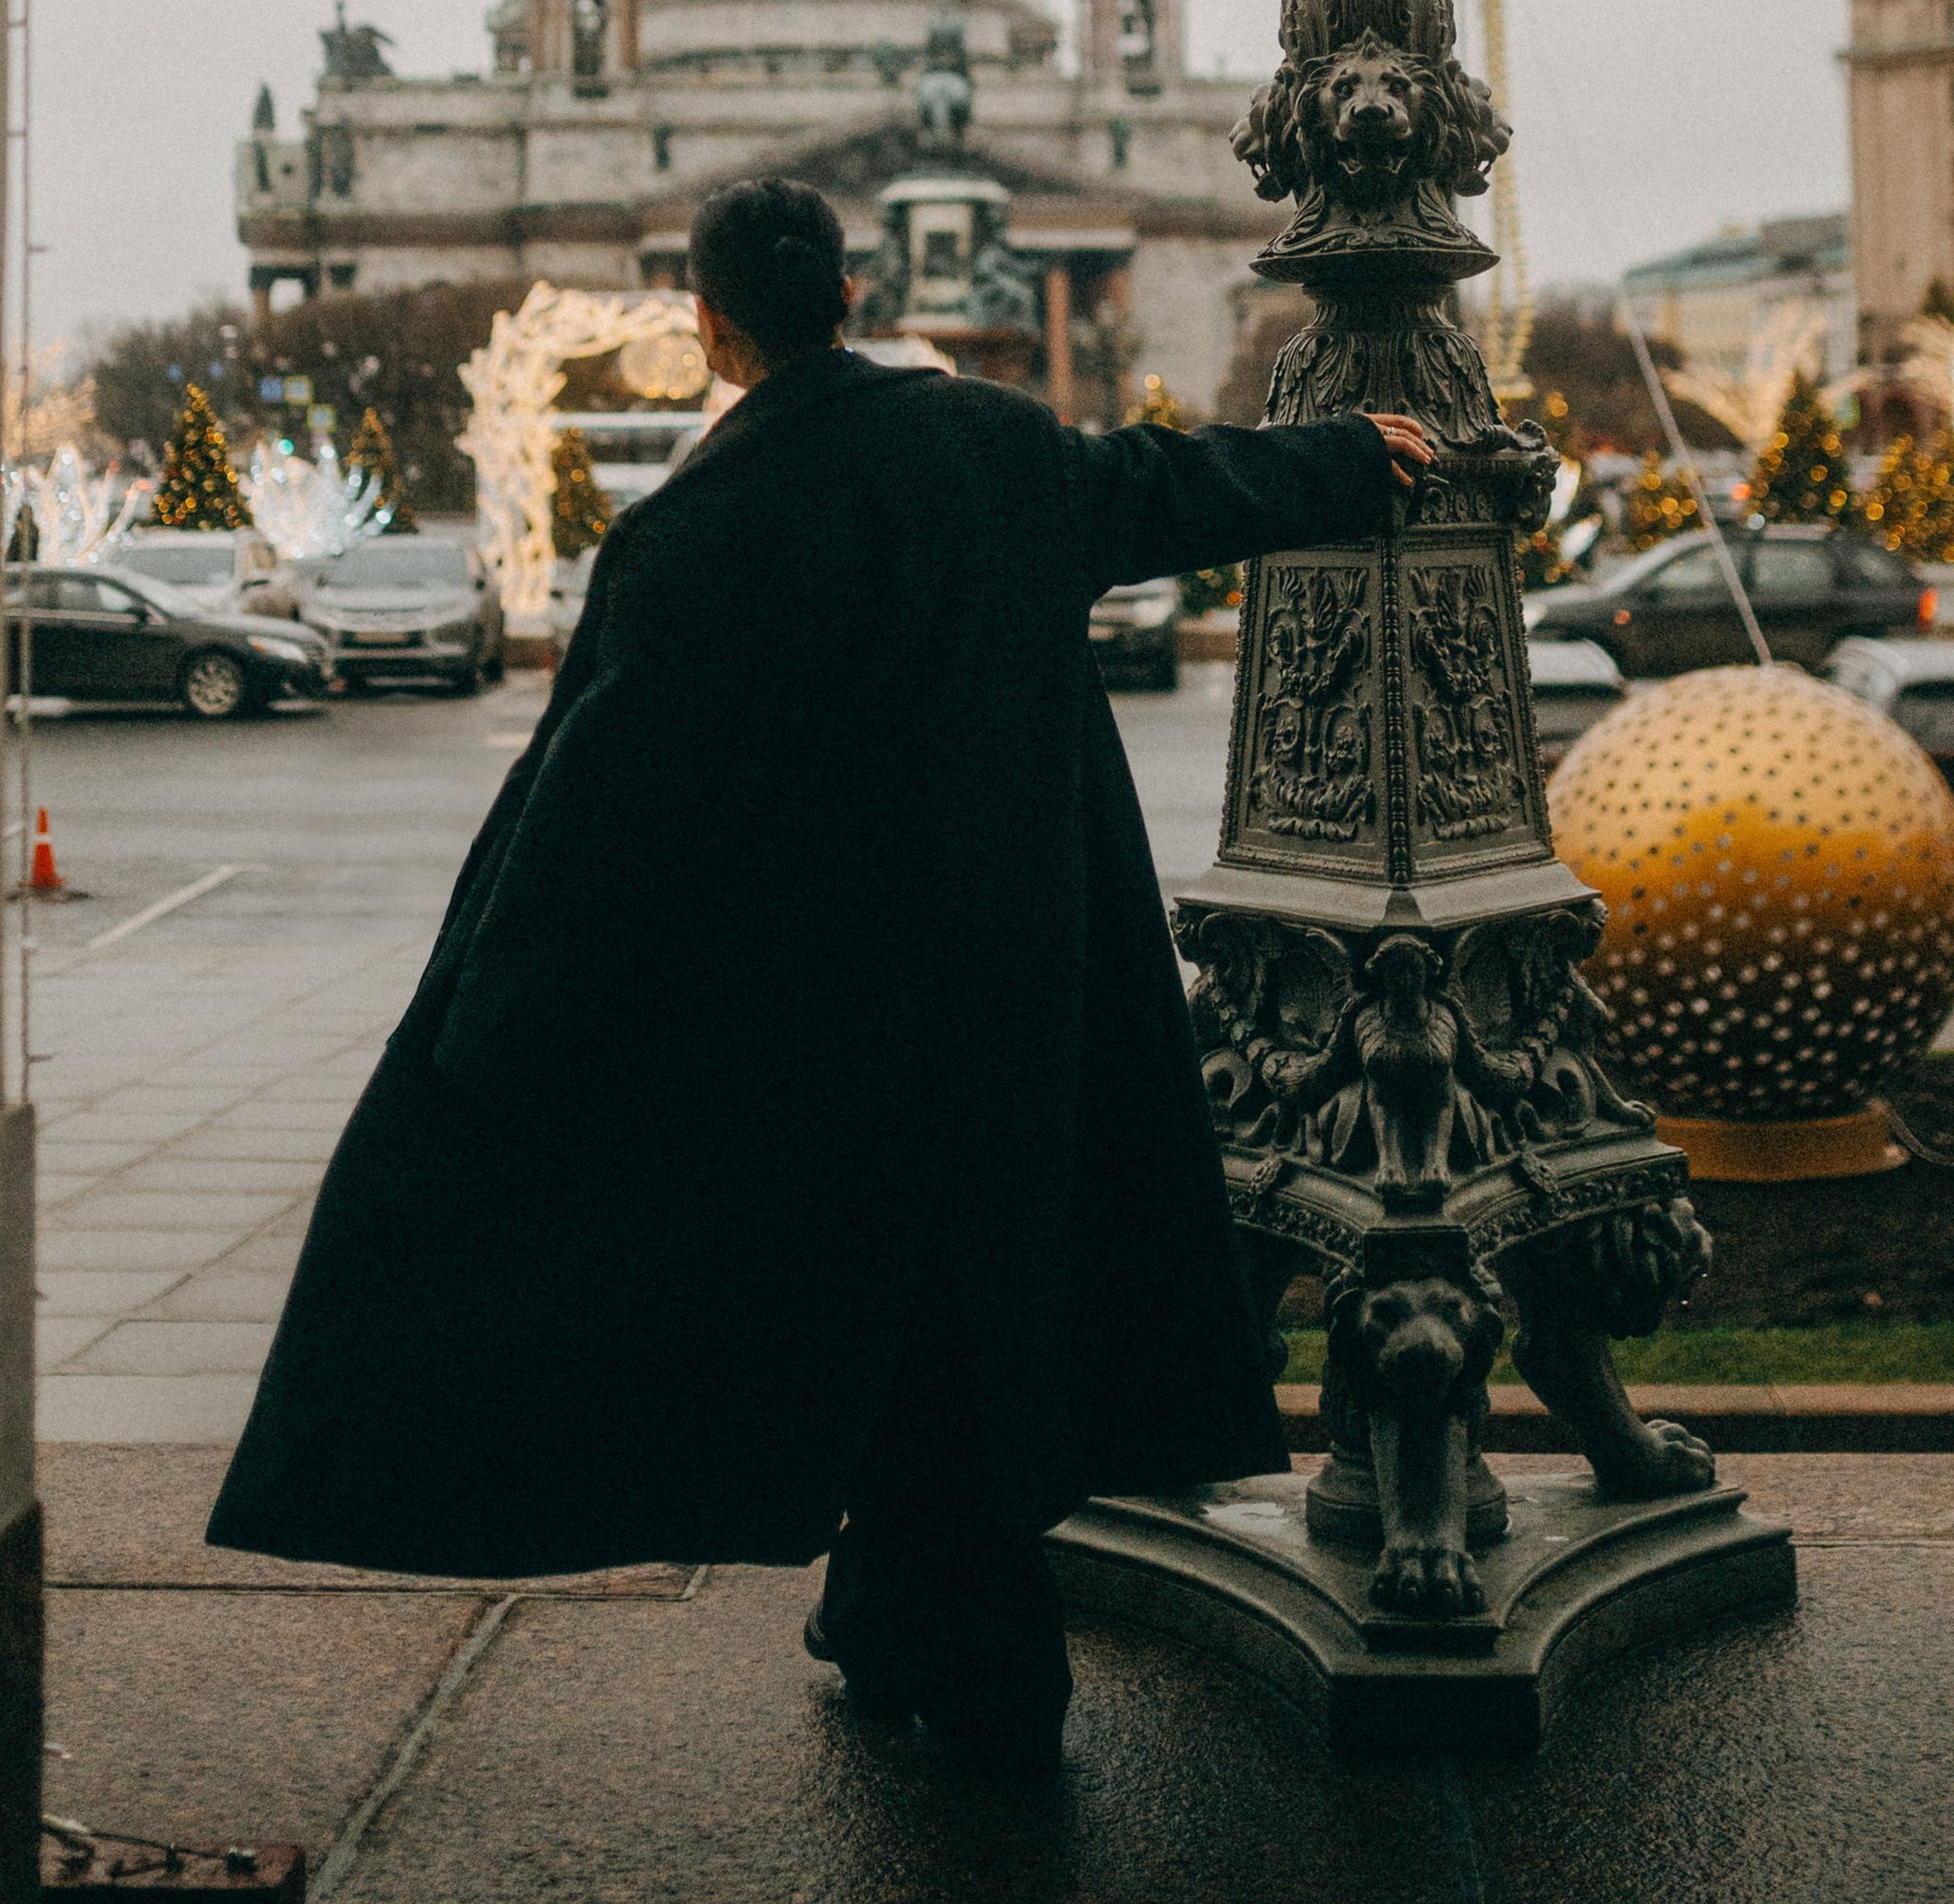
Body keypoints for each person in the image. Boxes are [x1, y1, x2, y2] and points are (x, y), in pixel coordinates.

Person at [207, 175, 1432, 1778]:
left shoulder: (687, 533)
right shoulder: (989, 448)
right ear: (852, 296)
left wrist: (502, 1016)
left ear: (713, 331)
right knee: (965, 1315)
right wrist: (1357, 455)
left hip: (806, 1022)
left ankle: (990, 1677)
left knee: (875, 1310)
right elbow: (1166, 488)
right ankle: (896, 1622)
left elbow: (601, 807)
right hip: (1007, 994)